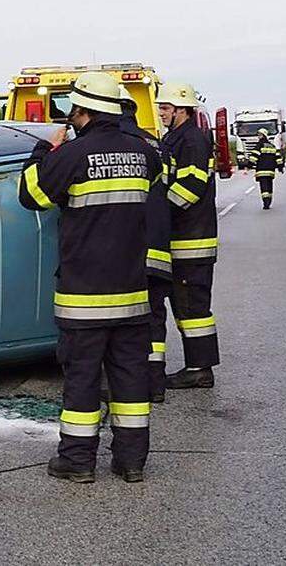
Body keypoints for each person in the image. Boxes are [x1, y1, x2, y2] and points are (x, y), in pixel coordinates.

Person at [19, 72, 160, 483]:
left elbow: (32, 197)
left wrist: (42, 152)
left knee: (82, 378)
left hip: (84, 296)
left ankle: (78, 460)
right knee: (130, 378)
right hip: (133, 292)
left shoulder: (73, 154)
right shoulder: (144, 152)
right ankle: (132, 461)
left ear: (81, 112)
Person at [156, 83, 220, 389]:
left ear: (181, 109)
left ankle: (199, 369)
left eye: (165, 108)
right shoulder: (177, 137)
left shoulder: (192, 140)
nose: (161, 113)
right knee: (185, 306)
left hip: (190, 242)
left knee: (193, 308)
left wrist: (158, 215)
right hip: (183, 239)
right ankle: (198, 367)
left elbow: (190, 188)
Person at [118, 87, 171, 402]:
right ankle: (156, 385)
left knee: (123, 320)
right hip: (159, 250)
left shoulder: (108, 147)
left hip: (126, 253)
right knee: (154, 316)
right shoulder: (155, 146)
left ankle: (127, 385)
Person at [248, 129, 283, 209]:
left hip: (261, 171)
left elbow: (254, 157)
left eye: (259, 135)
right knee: (269, 186)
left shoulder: (259, 145)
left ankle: (266, 202)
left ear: (263, 135)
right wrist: (280, 167)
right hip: (271, 171)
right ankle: (269, 201)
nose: (258, 136)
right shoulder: (272, 146)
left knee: (264, 187)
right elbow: (278, 158)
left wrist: (250, 165)